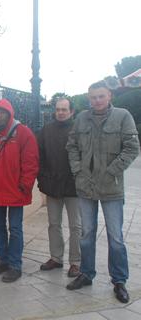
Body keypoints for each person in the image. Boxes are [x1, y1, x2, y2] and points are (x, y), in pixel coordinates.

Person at [66, 81, 139, 303]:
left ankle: (119, 280)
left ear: (109, 96)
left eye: (101, 96)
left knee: (115, 237)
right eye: (93, 97)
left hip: (111, 186)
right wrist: (78, 170)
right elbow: (72, 146)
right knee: (86, 233)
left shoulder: (123, 116)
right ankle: (86, 274)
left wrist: (112, 171)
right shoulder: (81, 119)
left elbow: (132, 147)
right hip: (85, 186)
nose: (96, 100)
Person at [0, 99, 39, 282]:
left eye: (3, 113)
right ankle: (2, 260)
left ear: (9, 114)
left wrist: (25, 186)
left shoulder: (23, 133)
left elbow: (31, 163)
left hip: (15, 191)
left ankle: (15, 265)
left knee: (15, 229)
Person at [37, 97, 81, 278]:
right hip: (53, 184)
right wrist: (43, 178)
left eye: (64, 109)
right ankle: (56, 257)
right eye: (58, 109)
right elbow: (39, 156)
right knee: (54, 224)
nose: (61, 112)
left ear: (71, 112)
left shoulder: (79, 130)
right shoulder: (46, 131)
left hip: (74, 186)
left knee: (76, 226)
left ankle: (76, 262)